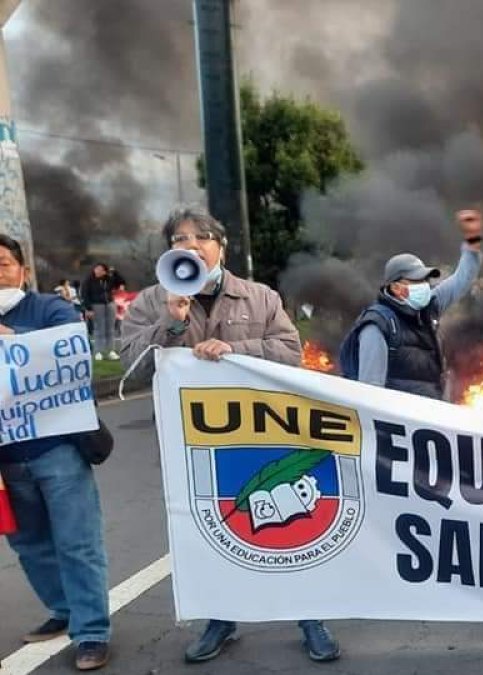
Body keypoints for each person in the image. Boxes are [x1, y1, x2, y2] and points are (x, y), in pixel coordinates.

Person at [119, 205, 338, 664]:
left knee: (290, 527)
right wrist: (172, 322)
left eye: (200, 236)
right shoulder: (150, 302)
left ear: (221, 245)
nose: (190, 245)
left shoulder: (259, 297)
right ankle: (221, 617)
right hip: (194, 444)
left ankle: (310, 614)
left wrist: (235, 350)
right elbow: (132, 370)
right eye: (179, 239)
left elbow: (289, 353)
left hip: (262, 437)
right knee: (210, 530)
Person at [0, 235, 111, 671]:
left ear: (22, 271)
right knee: (28, 544)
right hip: (6, 459)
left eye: (4, 263)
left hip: (57, 449)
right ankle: (64, 610)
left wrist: (13, 338)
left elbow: (72, 349)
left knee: (76, 542)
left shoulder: (49, 309)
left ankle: (92, 633)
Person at [339, 209, 483, 396]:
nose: (424, 286)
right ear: (396, 287)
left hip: (429, 417)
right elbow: (370, 394)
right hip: (398, 424)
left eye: (425, 280)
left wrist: (472, 242)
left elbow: (462, 279)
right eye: (417, 281)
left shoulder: (427, 308)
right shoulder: (377, 325)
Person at [79, 263, 117, 361]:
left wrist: (113, 272)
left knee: (110, 328)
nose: (98, 271)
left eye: (101, 270)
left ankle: (110, 350)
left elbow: (119, 281)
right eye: (97, 269)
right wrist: (88, 309)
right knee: (99, 328)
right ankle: (98, 351)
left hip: (109, 304)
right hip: (96, 305)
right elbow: (84, 295)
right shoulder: (88, 281)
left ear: (104, 271)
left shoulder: (108, 280)